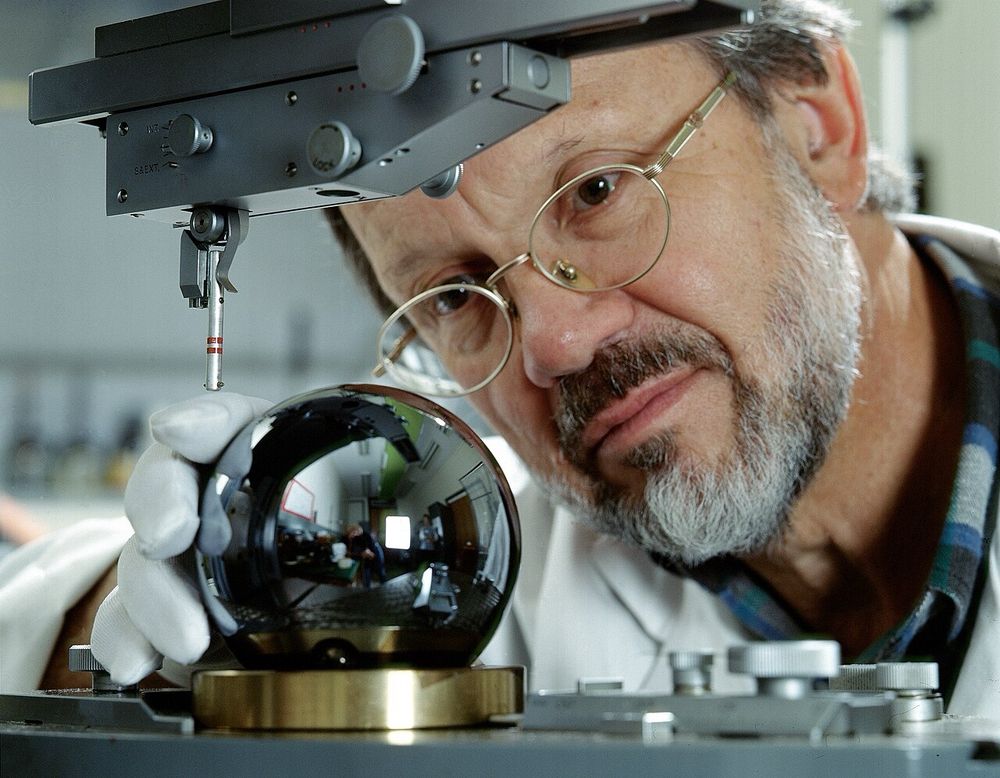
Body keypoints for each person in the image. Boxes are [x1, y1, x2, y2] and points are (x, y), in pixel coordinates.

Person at [6, 1, 997, 718]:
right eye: (454, 295)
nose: (555, 342)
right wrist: (142, 642)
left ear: (817, 128)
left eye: (598, 191)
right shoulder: (461, 606)